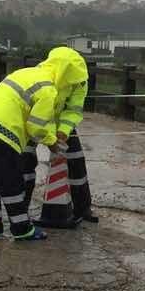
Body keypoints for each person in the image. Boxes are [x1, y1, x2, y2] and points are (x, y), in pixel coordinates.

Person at [0, 46, 89, 241]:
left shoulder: (28, 72)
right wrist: (52, 141)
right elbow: (37, 126)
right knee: (12, 181)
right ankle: (21, 228)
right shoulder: (48, 89)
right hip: (6, 131)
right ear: (65, 75)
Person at [22, 47, 98, 224]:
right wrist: (48, 136)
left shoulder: (81, 80)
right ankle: (20, 210)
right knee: (25, 161)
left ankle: (83, 207)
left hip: (61, 123)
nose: (74, 82)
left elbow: (74, 109)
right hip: (34, 120)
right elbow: (36, 110)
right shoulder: (42, 75)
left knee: (76, 161)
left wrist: (63, 131)